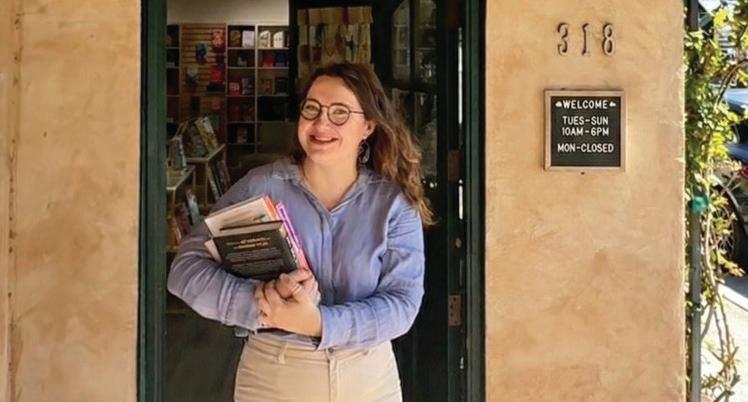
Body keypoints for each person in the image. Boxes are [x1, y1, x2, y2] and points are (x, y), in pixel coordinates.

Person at [167, 62, 433, 402]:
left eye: (339, 112)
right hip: (274, 378)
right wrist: (262, 302)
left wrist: (319, 323)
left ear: (367, 125)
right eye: (312, 108)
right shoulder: (260, 187)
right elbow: (185, 270)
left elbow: (402, 304)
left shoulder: (393, 205)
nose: (321, 123)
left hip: (368, 379)